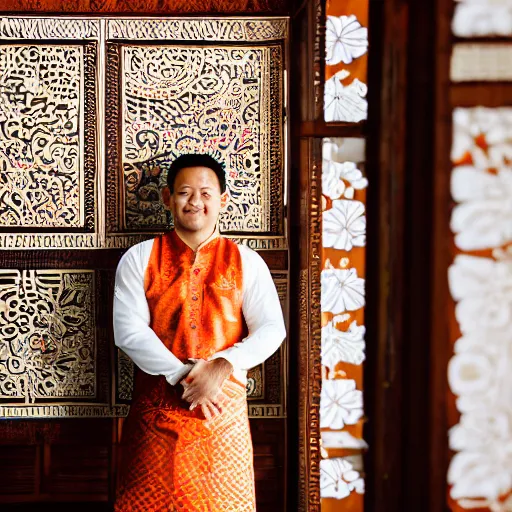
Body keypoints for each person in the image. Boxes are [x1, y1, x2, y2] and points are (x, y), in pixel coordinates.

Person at [113, 153, 286, 512]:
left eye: (206, 193)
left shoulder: (247, 262)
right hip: (155, 416)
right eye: (185, 192)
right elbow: (128, 330)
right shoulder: (139, 258)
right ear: (167, 199)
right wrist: (185, 375)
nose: (195, 202)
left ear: (222, 200)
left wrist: (222, 365)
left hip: (221, 417)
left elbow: (272, 329)